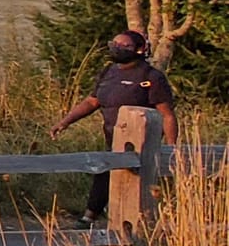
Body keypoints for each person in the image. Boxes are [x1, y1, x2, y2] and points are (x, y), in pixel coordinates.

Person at [47, 30, 179, 225]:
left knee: (134, 180)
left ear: (140, 50)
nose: (117, 49)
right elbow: (92, 102)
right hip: (114, 136)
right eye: (114, 44)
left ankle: (140, 222)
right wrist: (64, 122)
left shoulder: (151, 77)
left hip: (143, 142)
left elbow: (167, 114)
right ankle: (90, 217)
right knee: (105, 169)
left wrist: (171, 148)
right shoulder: (109, 72)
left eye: (124, 46)